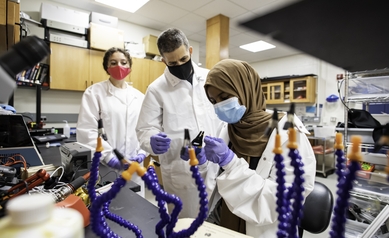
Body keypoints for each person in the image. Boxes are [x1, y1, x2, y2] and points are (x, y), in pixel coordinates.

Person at [200, 59, 316, 237]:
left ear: (245, 89)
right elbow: (220, 184)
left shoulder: (288, 133)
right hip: (225, 219)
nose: (219, 106)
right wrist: (202, 163)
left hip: (265, 230)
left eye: (224, 97)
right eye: (214, 100)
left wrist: (231, 163)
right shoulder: (228, 128)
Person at [136, 28, 223, 218]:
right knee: (185, 227)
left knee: (217, 226)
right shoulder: (156, 90)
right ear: (164, 61)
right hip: (182, 174)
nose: (180, 65)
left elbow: (220, 120)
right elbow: (145, 129)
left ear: (190, 51)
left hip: (216, 168)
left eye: (183, 59)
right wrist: (151, 140)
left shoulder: (211, 78)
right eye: (173, 63)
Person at [77, 47, 147, 197]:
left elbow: (145, 129)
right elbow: (87, 132)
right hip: (106, 168)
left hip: (135, 168)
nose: (119, 66)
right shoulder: (94, 93)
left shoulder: (140, 97)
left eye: (123, 62)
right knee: (109, 210)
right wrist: (109, 158)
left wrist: (142, 152)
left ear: (129, 67)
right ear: (106, 67)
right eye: (113, 63)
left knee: (137, 211)